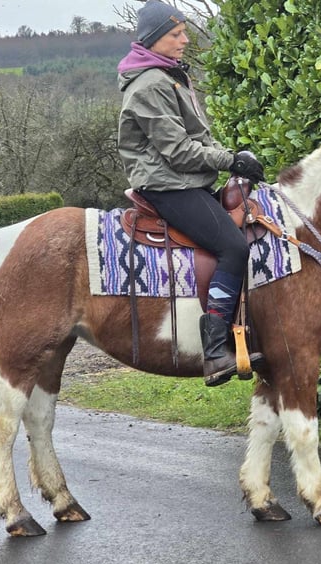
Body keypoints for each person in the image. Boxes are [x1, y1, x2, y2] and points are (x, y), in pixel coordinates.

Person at [117, 0, 264, 386]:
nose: (184, 39)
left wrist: (233, 159)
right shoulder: (149, 85)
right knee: (234, 247)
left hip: (185, 180)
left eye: (183, 31)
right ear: (153, 40)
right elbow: (179, 151)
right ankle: (215, 350)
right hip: (168, 185)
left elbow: (195, 139)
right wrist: (232, 160)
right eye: (176, 34)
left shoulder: (168, 76)